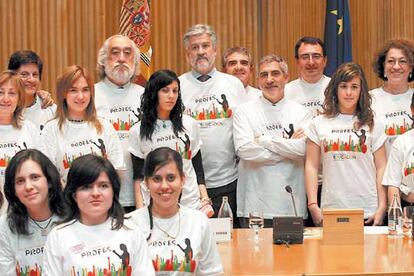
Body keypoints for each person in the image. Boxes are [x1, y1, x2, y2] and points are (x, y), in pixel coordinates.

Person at [43, 154, 155, 275]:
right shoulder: (58, 237)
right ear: (74, 194)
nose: (95, 193)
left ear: (113, 191)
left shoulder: (131, 231)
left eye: (103, 186)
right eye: (86, 187)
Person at [305, 62, 388, 226]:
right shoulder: (318, 123)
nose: (349, 92)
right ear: (335, 89)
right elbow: (311, 166)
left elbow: (382, 168)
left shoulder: (373, 124)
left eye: (354, 87)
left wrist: (382, 206)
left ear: (361, 90)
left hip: (367, 209)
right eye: (343, 86)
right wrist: (312, 204)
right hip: (332, 208)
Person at [233, 55, 311, 227]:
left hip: (291, 206)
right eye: (264, 75)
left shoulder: (301, 113)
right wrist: (287, 147)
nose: (269, 80)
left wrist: (263, 140)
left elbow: (302, 151)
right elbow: (244, 150)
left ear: (286, 77)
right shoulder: (243, 112)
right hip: (253, 205)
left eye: (275, 74)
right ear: (258, 79)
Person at [179, 24, 246, 223]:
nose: (200, 52)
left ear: (215, 50)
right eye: (194, 47)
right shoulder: (177, 86)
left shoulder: (233, 84)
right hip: (189, 186)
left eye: (205, 46)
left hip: (229, 182)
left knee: (230, 244)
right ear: (187, 53)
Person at [128, 69, 213, 215]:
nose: (171, 96)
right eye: (165, 90)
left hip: (190, 204)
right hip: (155, 206)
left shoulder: (190, 124)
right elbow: (138, 176)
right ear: (154, 93)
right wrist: (140, 209)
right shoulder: (137, 131)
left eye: (175, 91)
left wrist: (204, 198)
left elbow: (197, 167)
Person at [129, 147, 223, 275]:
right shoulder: (130, 224)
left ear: (183, 180)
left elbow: (212, 272)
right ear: (146, 183)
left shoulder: (198, 222)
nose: (164, 186)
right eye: (157, 179)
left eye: (171, 178)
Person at [40, 65, 123, 185]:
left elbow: (115, 171)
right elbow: (47, 175)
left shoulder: (105, 126)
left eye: (85, 89)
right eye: (73, 90)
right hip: (65, 201)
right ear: (63, 93)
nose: (80, 96)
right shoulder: (51, 129)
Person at [95, 34, 145, 211]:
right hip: (101, 197)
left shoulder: (146, 96)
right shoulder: (89, 95)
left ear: (136, 61)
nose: (121, 58)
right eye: (115, 53)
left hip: (141, 196)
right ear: (103, 60)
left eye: (127, 53)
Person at [0, 149, 64, 275]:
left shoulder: (72, 216)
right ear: (13, 189)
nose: (28, 186)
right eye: (20, 181)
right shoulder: (4, 227)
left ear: (49, 181)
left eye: (35, 177)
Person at [0, 71, 40, 212]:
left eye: (12, 93)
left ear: (19, 99)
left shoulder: (30, 129)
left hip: (25, 212)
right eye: (1, 92)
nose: (5, 99)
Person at [370, 39, 414, 155]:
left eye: (403, 61)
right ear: (383, 66)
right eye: (391, 61)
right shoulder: (369, 99)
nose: (396, 66)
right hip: (380, 171)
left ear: (411, 67)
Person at [7, 50, 56, 131]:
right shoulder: (4, 110)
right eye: (24, 74)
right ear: (12, 77)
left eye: (35, 74)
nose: (31, 79)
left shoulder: (50, 109)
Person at [382, 92, 414, 208]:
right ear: (412, 110)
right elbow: (393, 185)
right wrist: (397, 219)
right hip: (409, 209)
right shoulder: (402, 142)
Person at [285, 37, 330, 117]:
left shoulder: (336, 88)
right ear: (297, 61)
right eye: (305, 57)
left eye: (316, 56)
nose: (311, 62)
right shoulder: (286, 91)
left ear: (325, 61)